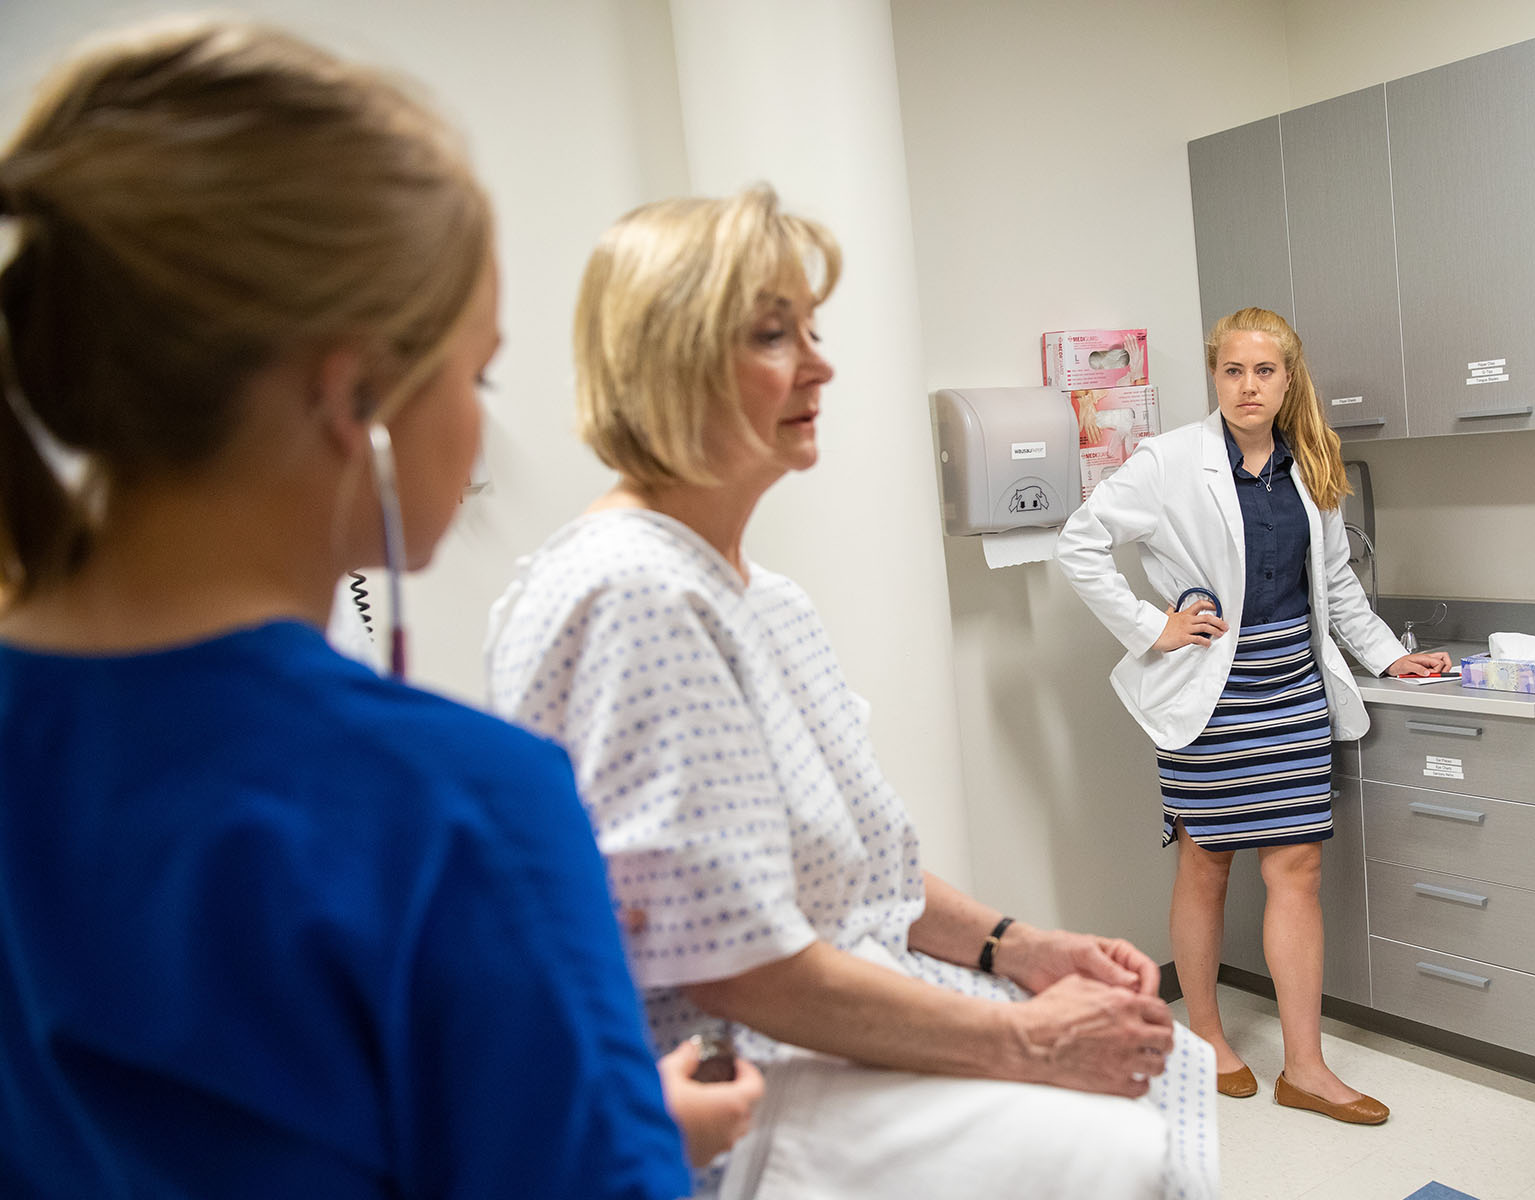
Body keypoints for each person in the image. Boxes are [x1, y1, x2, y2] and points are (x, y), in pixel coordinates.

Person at [0, 19, 753, 1196]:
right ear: (357, 396)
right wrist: (633, 1126)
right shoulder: (459, 814)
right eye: (479, 372)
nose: (484, 418)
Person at [486, 185, 1220, 1200]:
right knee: (1112, 1149)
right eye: (773, 333)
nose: (822, 363)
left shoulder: (766, 600)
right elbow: (735, 967)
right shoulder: (630, 594)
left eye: (813, 329)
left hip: (853, 999)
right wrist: (1024, 1042)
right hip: (739, 1075)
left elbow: (864, 872)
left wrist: (1019, 948)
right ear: (668, 357)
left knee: (1155, 1057)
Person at [1056, 306, 1450, 1126]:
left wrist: (1386, 656)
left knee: (1296, 870)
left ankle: (1304, 1065)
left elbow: (1335, 585)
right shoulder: (1169, 462)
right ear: (1215, 375)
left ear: (1287, 379)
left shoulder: (1310, 461)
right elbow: (1079, 544)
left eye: (1264, 371)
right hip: (1212, 696)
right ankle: (1203, 1035)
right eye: (1233, 370)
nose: (1248, 386)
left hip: (1292, 691)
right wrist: (1150, 627)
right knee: (1206, 864)